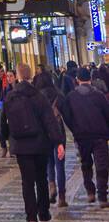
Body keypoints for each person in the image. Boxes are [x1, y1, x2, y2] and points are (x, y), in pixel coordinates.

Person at [0, 62, 64, 222]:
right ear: (31, 76)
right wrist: (58, 142)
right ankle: (43, 214)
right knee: (41, 179)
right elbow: (49, 121)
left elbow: (2, 124)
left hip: (20, 146)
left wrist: (6, 141)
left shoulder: (10, 97)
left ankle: (31, 219)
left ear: (18, 77)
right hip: (40, 144)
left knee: (27, 182)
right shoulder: (39, 96)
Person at [60, 66, 109, 207]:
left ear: (77, 80)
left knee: (86, 164)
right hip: (100, 136)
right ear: (90, 79)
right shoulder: (98, 95)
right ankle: (102, 197)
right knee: (102, 166)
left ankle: (90, 192)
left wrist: (75, 128)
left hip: (81, 137)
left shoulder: (71, 97)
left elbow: (67, 116)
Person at [33, 69, 68, 208]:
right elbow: (67, 115)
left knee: (49, 163)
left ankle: (51, 186)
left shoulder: (36, 97)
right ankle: (62, 197)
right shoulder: (58, 95)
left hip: (44, 133)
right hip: (59, 132)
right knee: (60, 164)